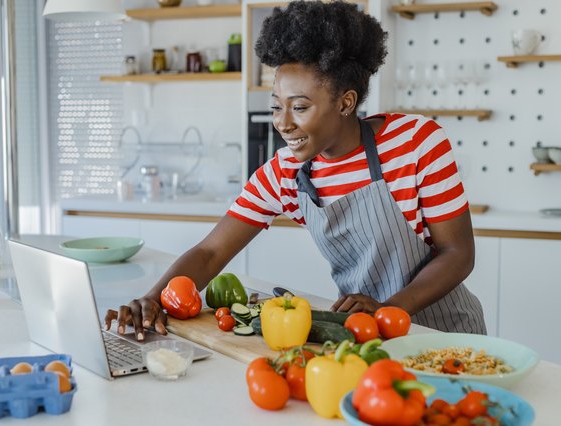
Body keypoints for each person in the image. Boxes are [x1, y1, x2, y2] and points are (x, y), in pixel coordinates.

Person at [105, 0, 486, 339]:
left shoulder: (415, 142)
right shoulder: (284, 173)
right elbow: (209, 253)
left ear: (346, 102)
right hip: (360, 334)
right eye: (276, 107)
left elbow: (458, 253)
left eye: (300, 107)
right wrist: (152, 298)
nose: (283, 123)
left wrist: (392, 309)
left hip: (443, 335)